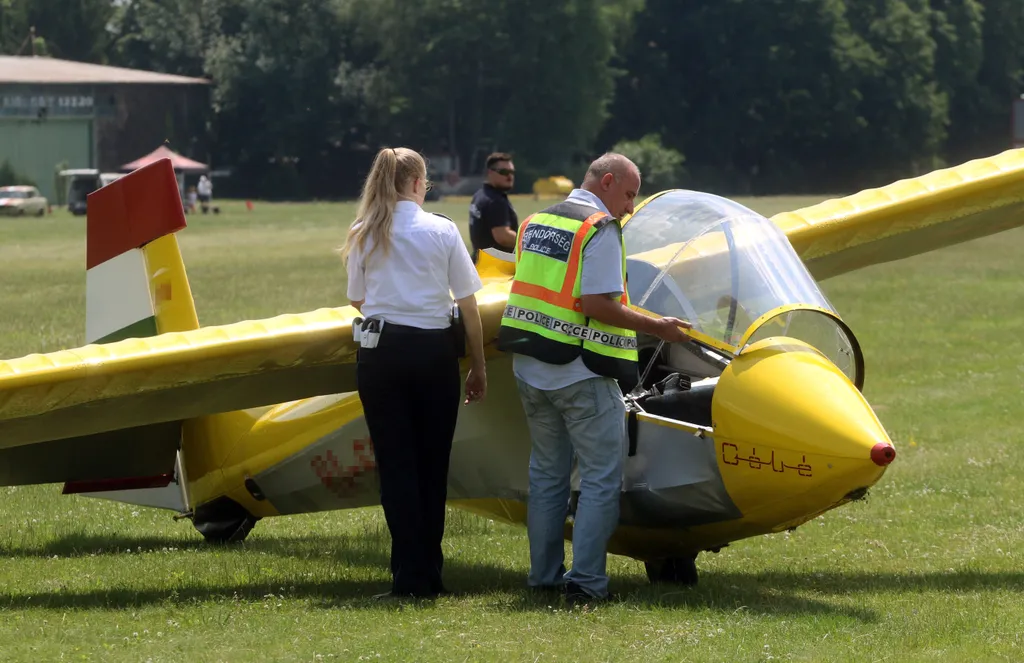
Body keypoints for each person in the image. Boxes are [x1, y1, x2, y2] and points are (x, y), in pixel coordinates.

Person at [496, 153, 692, 604]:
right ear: (607, 182)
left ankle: (544, 578)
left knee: (547, 476)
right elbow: (596, 303)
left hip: (530, 368)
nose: (628, 207)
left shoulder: (535, 221)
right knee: (602, 477)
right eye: (627, 195)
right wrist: (658, 327)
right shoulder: (600, 228)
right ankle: (585, 583)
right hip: (581, 372)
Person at [340, 146, 488, 599]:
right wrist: (478, 364)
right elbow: (468, 305)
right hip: (433, 353)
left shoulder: (363, 231)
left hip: (382, 354)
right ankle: (430, 572)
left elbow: (357, 298)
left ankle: (408, 575)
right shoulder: (442, 229)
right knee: (431, 467)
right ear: (419, 183)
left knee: (397, 467)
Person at [468, 152, 518, 261]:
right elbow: (503, 237)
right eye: (504, 172)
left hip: (480, 263)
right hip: (496, 270)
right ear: (490, 172)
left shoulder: (479, 195)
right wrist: (530, 242)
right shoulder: (495, 201)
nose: (509, 176)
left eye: (512, 172)